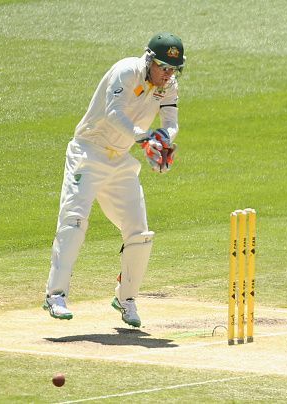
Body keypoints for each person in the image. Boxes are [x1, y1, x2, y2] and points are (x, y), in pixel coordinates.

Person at [43, 33, 186, 327]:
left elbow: (170, 123)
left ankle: (126, 298)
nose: (168, 74)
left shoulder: (169, 85)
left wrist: (163, 141)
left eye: (173, 69)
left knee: (139, 231)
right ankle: (55, 295)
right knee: (75, 221)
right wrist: (145, 138)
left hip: (120, 160)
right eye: (163, 67)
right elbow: (113, 113)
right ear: (149, 60)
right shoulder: (126, 71)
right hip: (89, 152)